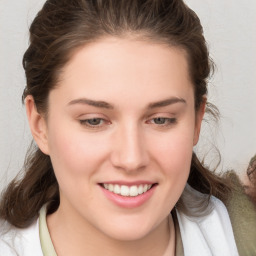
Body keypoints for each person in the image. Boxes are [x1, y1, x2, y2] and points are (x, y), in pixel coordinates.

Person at [0, 0, 255, 255]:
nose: (131, 159)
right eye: (94, 120)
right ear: (39, 124)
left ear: (197, 121)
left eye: (161, 119)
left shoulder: (243, 237)